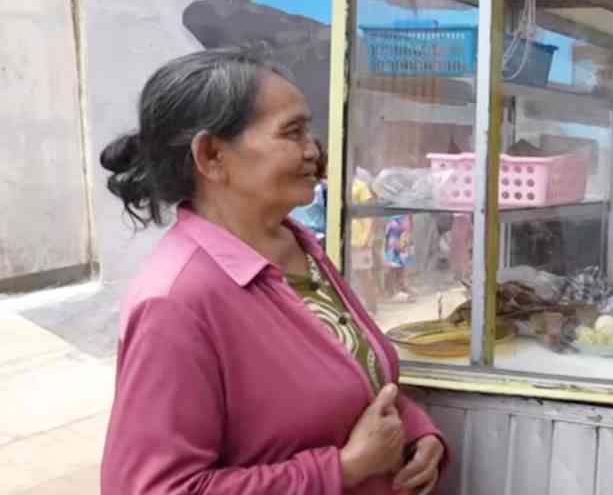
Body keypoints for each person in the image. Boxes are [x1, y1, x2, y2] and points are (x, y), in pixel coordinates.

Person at [100, 47, 448, 494]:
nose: (314, 151)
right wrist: (339, 470)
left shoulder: (298, 250)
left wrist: (417, 434)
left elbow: (349, 378)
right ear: (211, 156)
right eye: (293, 133)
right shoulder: (176, 302)